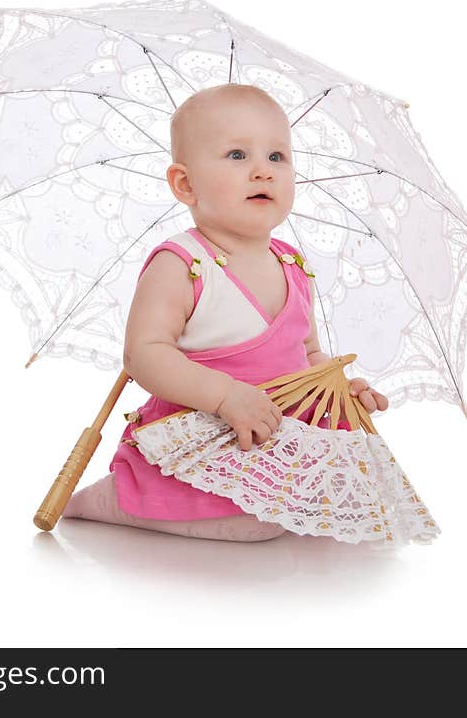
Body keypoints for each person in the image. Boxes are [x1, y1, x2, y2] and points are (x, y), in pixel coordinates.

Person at [63, 84, 388, 541]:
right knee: (251, 526)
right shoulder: (182, 264)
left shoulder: (292, 264)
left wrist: (338, 387)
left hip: (274, 432)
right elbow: (145, 354)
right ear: (185, 184)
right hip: (207, 433)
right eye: (237, 155)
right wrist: (224, 397)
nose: (263, 172)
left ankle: (269, 503)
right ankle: (120, 498)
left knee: (343, 500)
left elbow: (307, 353)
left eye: (277, 156)